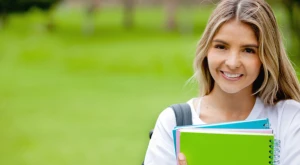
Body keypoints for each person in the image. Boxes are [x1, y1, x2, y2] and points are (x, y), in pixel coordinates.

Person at [143, 0, 300, 164]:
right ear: (206, 50)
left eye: (248, 50)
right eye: (221, 47)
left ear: (265, 57)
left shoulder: (289, 119)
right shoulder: (172, 122)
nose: (232, 63)